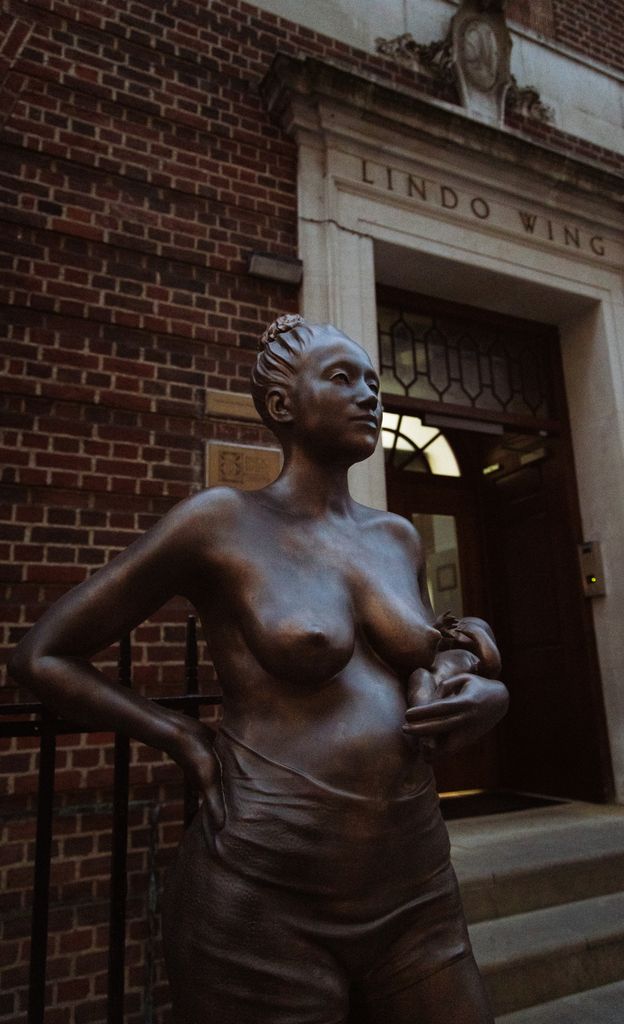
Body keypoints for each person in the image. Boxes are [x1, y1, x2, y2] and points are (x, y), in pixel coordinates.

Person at [10, 314, 509, 1024]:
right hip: (264, 888)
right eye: (342, 378)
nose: (370, 395)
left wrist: (477, 683)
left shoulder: (395, 536)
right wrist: (181, 737)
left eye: (373, 381)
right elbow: (43, 656)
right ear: (281, 405)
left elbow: (427, 657)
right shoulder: (220, 521)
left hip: (413, 881)